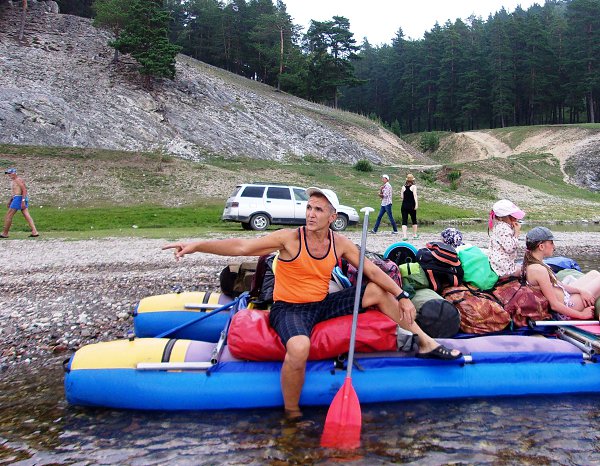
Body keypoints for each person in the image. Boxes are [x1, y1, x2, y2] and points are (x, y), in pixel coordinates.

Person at [163, 187, 461, 419]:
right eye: (309, 207)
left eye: (318, 209)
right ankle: (292, 414)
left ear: (332, 217)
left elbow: (371, 270)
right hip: (289, 309)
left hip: (321, 304)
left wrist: (402, 295)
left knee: (377, 291)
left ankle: (426, 342)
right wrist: (197, 245)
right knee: (299, 347)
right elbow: (241, 246)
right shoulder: (289, 238)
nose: (311, 214)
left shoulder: (338, 242)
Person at [523, 226, 600, 320]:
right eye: (551, 243)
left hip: (565, 295)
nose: (554, 247)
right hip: (569, 304)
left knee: (594, 273)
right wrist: (582, 315)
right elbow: (554, 305)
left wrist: (581, 291)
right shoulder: (538, 270)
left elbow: (558, 284)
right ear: (541, 246)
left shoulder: (535, 263)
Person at [488, 199, 524, 278]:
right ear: (503, 217)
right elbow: (510, 248)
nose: (516, 219)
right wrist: (516, 233)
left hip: (499, 264)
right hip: (502, 267)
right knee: (524, 271)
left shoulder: (500, 226)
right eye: (513, 217)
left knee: (520, 267)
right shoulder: (503, 228)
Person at [2, 168, 39, 238]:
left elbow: (24, 190)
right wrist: (10, 201)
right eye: (8, 174)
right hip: (18, 198)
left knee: (8, 215)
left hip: (19, 198)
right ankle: (34, 231)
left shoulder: (17, 180)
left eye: (10, 173)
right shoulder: (14, 180)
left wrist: (23, 201)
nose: (9, 175)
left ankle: (5, 233)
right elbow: (15, 192)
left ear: (14, 173)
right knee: (27, 215)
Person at [400, 173, 418, 240]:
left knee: (404, 220)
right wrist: (416, 204)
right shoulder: (414, 187)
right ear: (413, 180)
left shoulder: (403, 187)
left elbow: (402, 197)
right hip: (411, 205)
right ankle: (414, 235)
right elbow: (415, 195)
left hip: (404, 205)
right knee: (414, 219)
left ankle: (405, 236)